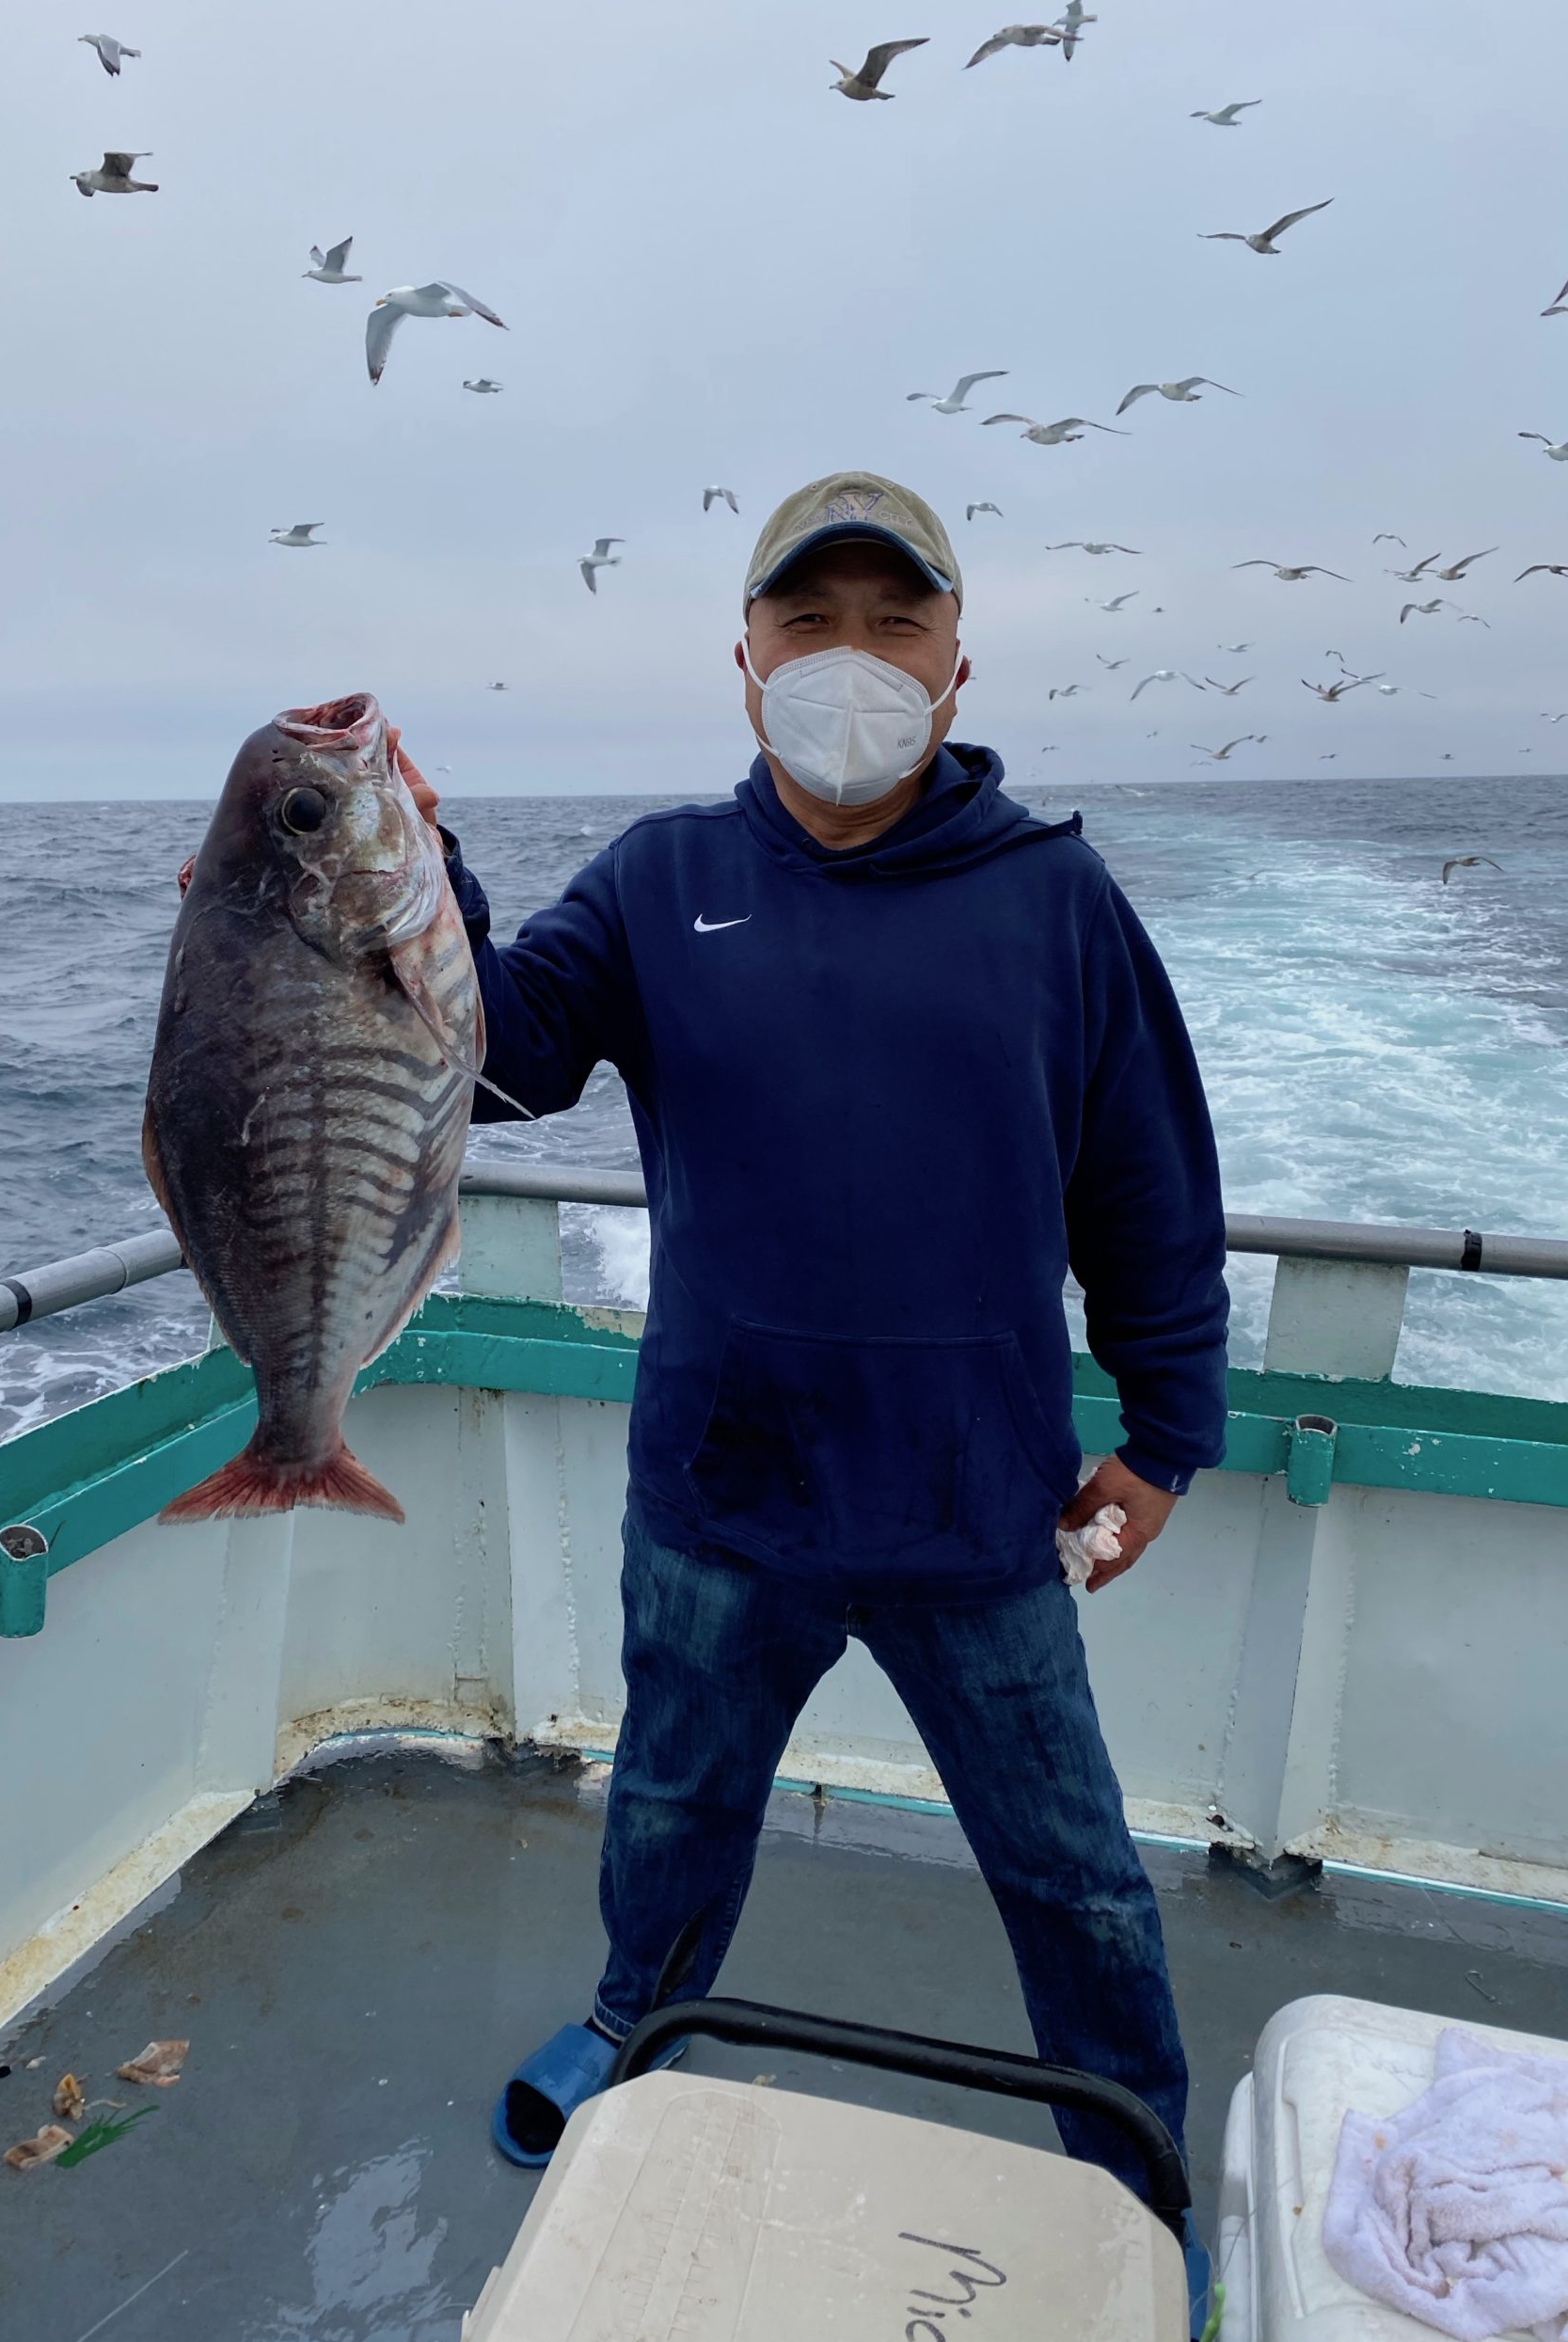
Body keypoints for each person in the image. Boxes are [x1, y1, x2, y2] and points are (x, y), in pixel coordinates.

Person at [394, 471, 1229, 2209]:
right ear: (746, 654)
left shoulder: (1054, 901)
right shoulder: (658, 879)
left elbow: (1151, 1189)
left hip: (978, 1509)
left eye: (894, 621)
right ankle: (635, 2026)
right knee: (674, 1812)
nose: (850, 654)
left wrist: (1162, 1442)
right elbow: (498, 1058)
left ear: (954, 667)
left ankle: (1136, 2165)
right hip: (722, 1493)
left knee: (1075, 1879)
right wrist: (394, 879)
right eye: (810, 620)